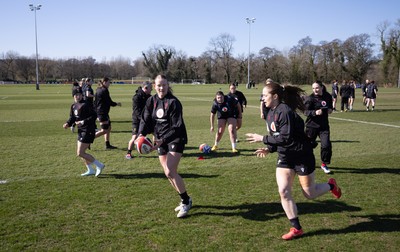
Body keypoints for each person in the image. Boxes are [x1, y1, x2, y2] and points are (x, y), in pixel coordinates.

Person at [245, 81, 342, 240]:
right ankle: (296, 228)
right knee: (283, 191)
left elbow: (286, 138)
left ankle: (331, 185)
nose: (262, 98)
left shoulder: (285, 112)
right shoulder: (270, 113)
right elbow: (278, 138)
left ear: (275, 96)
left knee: (309, 194)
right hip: (285, 157)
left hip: (302, 156)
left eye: (265, 95)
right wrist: (269, 148)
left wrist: (262, 138)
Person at [137, 74, 191, 218]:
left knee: (171, 170)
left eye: (164, 85)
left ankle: (186, 201)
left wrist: (164, 139)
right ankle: (184, 198)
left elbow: (177, 126)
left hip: (176, 138)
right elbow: (145, 119)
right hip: (160, 138)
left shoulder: (174, 102)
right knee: (167, 173)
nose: (161, 88)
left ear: (168, 86)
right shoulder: (151, 101)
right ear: (154, 86)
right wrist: (141, 135)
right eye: (159, 85)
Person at [63, 88, 105, 177]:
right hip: (81, 130)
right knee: (81, 153)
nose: (78, 97)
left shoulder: (86, 105)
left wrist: (82, 122)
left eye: (79, 95)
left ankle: (99, 165)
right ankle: (90, 170)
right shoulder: (73, 106)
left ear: (82, 95)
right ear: (73, 96)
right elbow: (73, 117)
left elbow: (94, 116)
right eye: (76, 95)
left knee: (80, 153)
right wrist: (68, 123)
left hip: (88, 130)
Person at [304, 81, 333, 174]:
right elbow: (305, 112)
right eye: (313, 88)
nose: (315, 90)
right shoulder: (310, 98)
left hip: (324, 126)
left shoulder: (328, 96)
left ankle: (324, 164)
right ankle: (304, 162)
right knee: (307, 146)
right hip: (311, 126)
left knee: (326, 145)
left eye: (316, 88)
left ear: (321, 87)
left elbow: (330, 107)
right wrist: (314, 113)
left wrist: (330, 110)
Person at [126, 81, 153, 159]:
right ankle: (128, 153)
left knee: (156, 133)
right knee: (134, 137)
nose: (151, 90)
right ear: (145, 88)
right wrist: (144, 119)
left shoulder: (149, 97)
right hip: (137, 121)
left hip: (146, 120)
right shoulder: (136, 97)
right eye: (150, 88)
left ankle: (157, 148)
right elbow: (137, 112)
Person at [94, 77, 121, 149]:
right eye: (109, 82)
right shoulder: (104, 90)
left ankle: (107, 144)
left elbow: (95, 102)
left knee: (109, 127)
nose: (109, 84)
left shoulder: (98, 89)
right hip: (102, 113)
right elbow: (109, 102)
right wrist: (117, 104)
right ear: (104, 82)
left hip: (103, 112)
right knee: (104, 130)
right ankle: (88, 139)